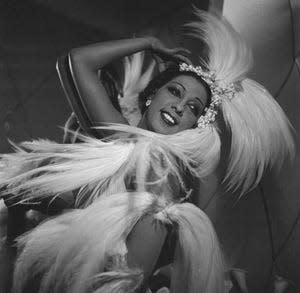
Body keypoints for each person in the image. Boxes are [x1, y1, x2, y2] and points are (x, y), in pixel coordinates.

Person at [0, 9, 294, 293]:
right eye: (175, 91)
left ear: (195, 125)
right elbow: (74, 62)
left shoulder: (158, 166)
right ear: (153, 95)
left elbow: (131, 275)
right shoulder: (123, 137)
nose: (179, 106)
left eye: (193, 108)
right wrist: (147, 44)